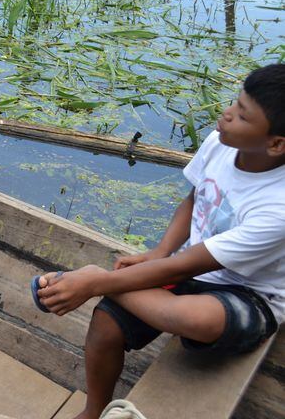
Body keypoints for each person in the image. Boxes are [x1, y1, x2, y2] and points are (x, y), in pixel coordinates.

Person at [33, 63, 285, 419]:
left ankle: (94, 277)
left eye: (243, 116)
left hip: (249, 292)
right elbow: (195, 199)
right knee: (106, 323)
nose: (227, 114)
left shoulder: (278, 207)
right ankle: (94, 410)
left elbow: (188, 266)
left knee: (199, 320)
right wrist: (160, 251)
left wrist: (97, 282)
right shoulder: (221, 143)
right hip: (187, 265)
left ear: (276, 143)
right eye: (235, 102)